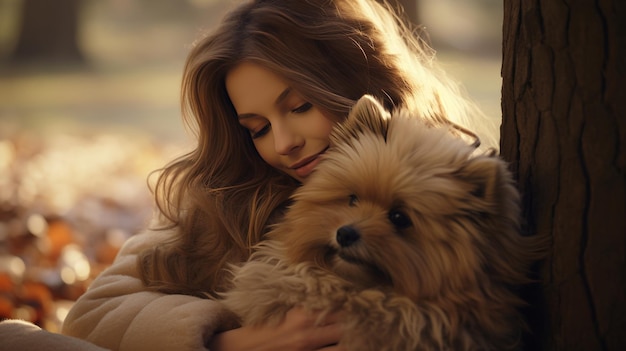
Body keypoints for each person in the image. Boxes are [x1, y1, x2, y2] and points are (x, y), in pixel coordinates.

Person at [59, 0, 497, 350]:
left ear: (358, 79)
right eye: (258, 129)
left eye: (300, 107)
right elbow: (93, 316)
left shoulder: (452, 184)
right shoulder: (231, 199)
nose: (283, 143)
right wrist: (239, 341)